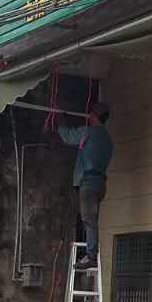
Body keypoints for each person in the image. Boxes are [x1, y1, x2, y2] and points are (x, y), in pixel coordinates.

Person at [58, 101, 112, 269]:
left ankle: (90, 256)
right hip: (100, 184)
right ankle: (89, 252)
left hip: (88, 182)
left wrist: (61, 123)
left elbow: (68, 137)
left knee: (89, 220)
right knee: (90, 219)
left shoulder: (87, 132)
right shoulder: (107, 139)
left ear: (93, 116)